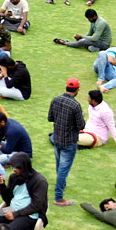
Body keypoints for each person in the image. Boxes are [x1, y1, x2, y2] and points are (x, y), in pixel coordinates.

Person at [48, 78, 86, 206]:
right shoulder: (75, 105)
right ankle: (59, 198)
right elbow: (81, 126)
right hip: (69, 142)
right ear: (77, 90)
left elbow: (50, 118)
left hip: (57, 138)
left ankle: (61, 185)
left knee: (60, 167)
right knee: (63, 170)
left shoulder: (56, 99)